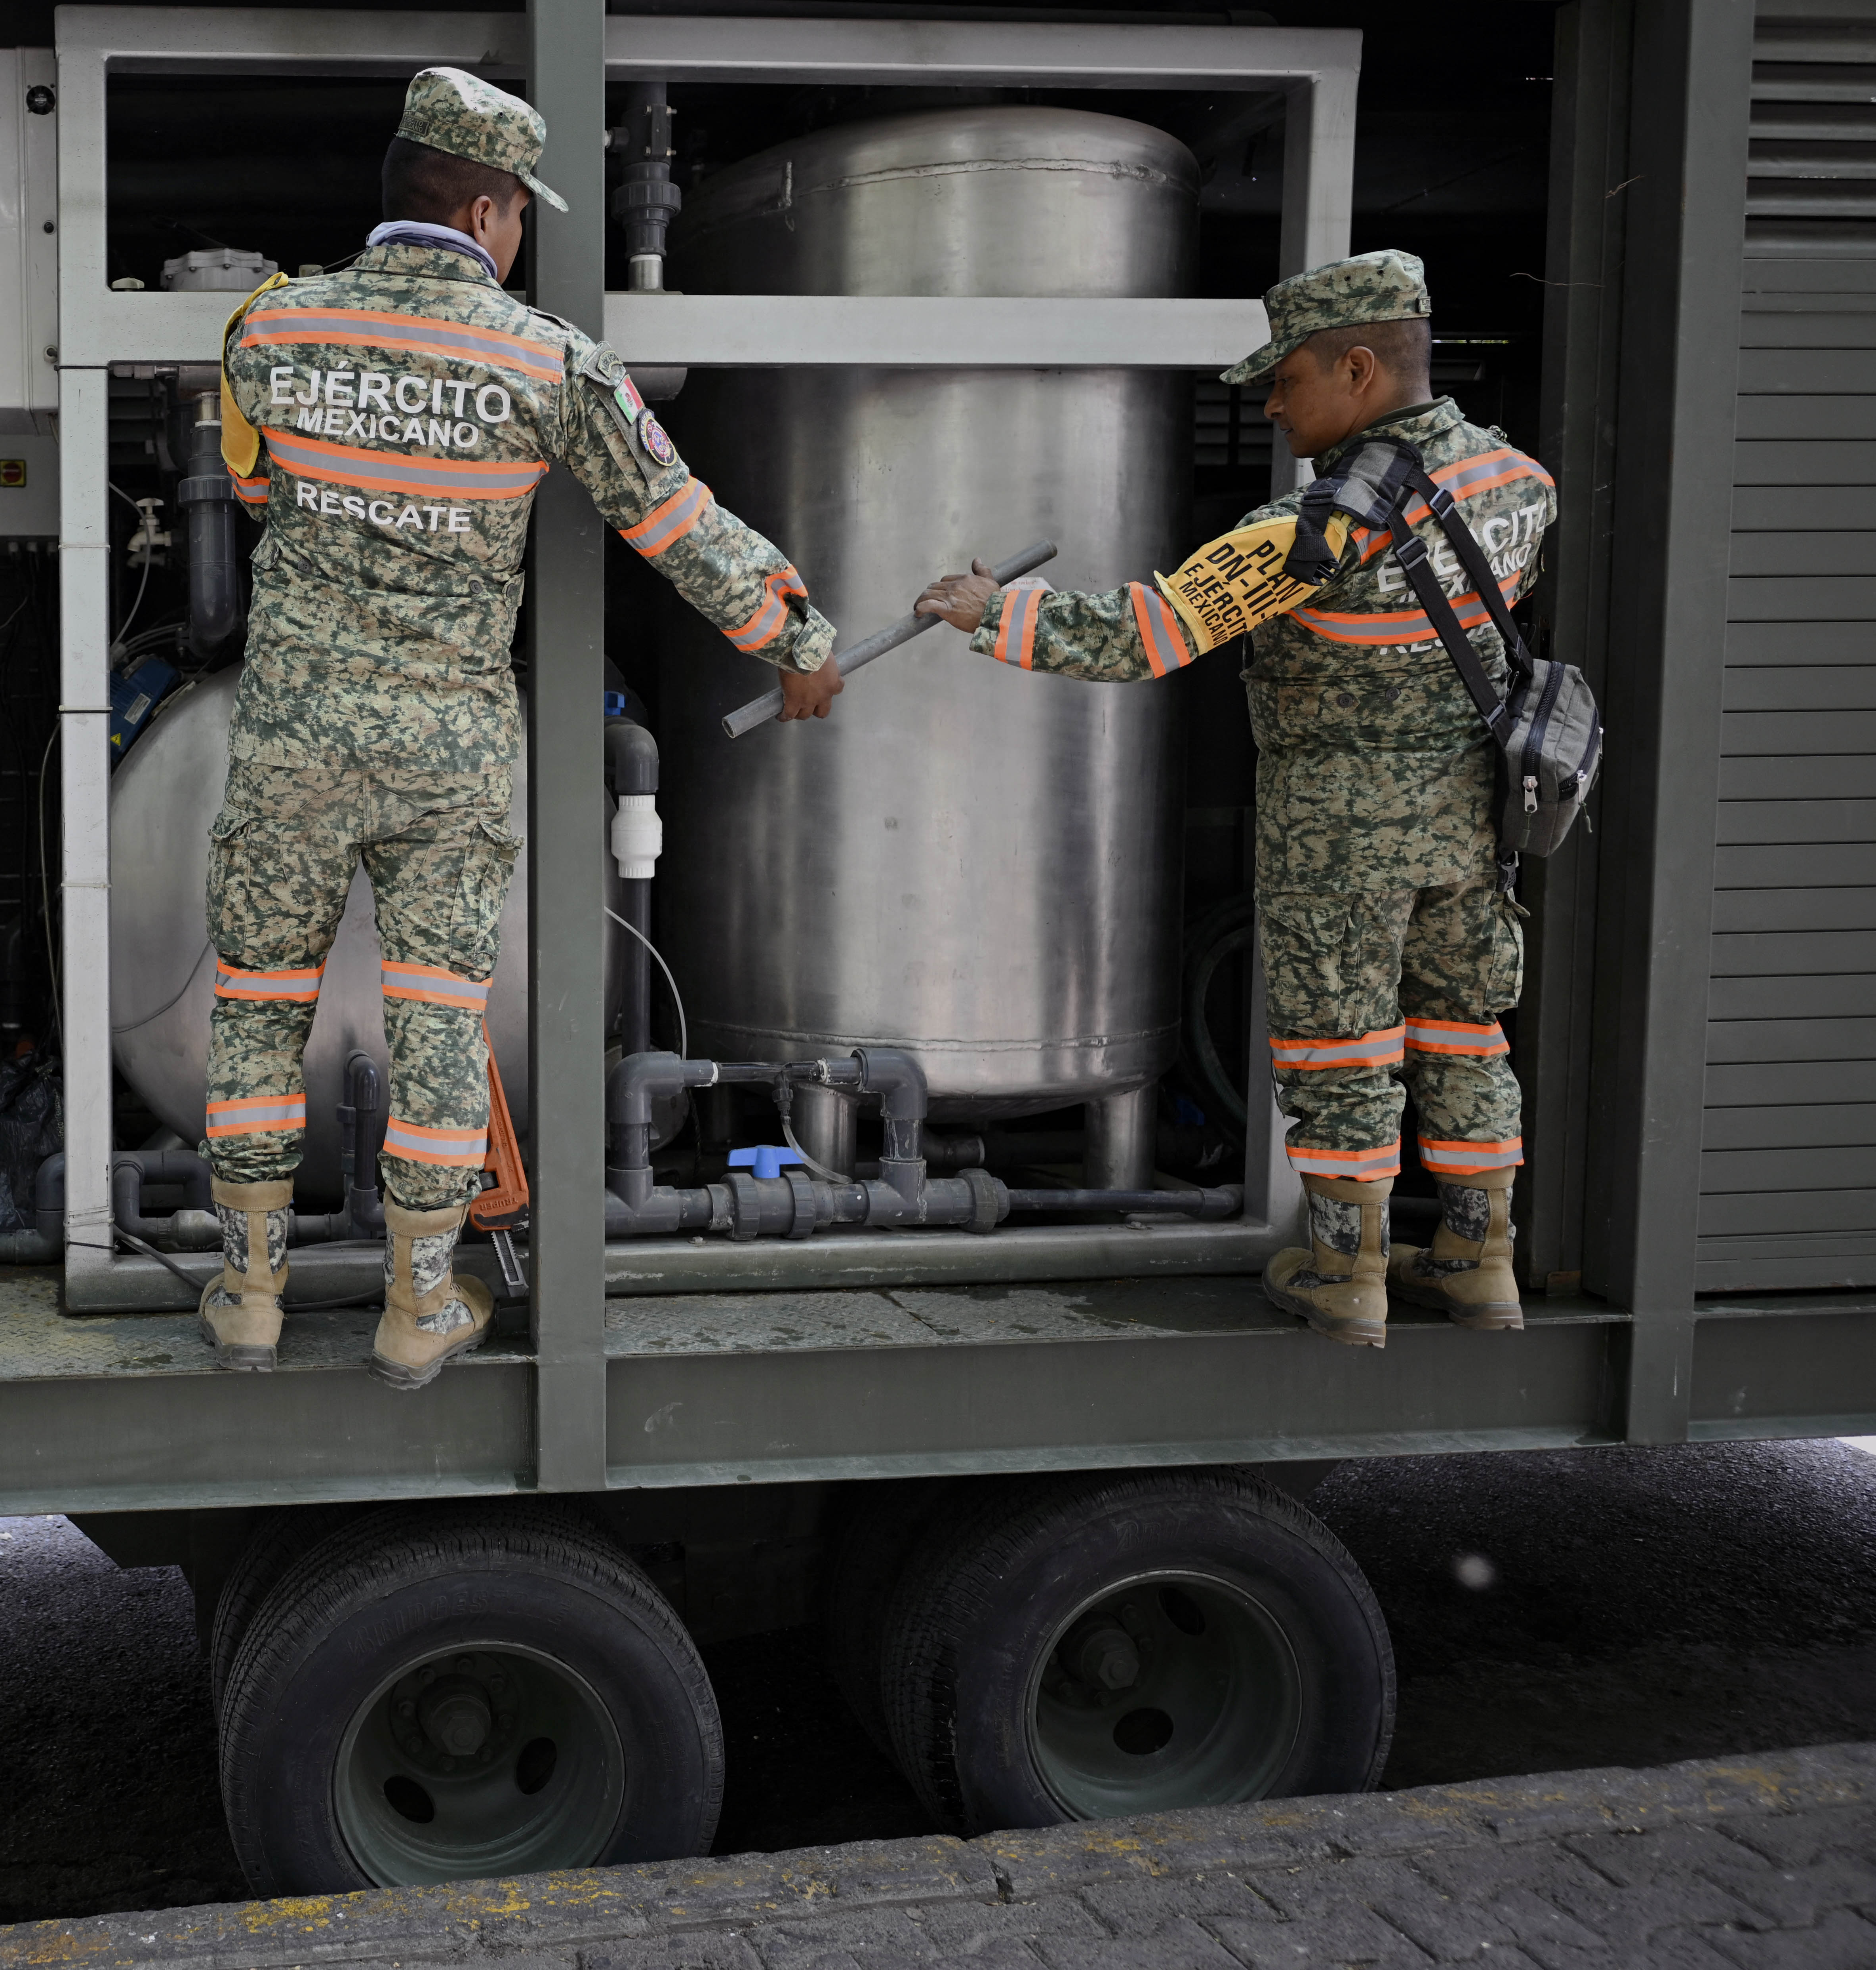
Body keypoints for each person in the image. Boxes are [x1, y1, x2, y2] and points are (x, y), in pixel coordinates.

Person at [202, 67, 846, 1388]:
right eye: (519, 217)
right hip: (448, 749)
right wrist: (798, 636)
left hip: (292, 742)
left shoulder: (268, 329)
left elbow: (255, 486)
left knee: (258, 1007)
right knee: (440, 1018)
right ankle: (418, 1306)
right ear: (489, 210)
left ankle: (250, 1286)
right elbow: (681, 527)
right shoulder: (548, 359)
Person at [913, 249, 1556, 1351]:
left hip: (1339, 838)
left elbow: (1143, 634)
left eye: (1288, 379)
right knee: (1465, 1032)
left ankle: (1347, 1276)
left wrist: (994, 610)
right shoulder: (1520, 485)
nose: (1271, 403)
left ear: (1359, 368)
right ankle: (1477, 1258)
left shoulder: (1318, 526)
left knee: (1342, 1050)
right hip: (1470, 826)